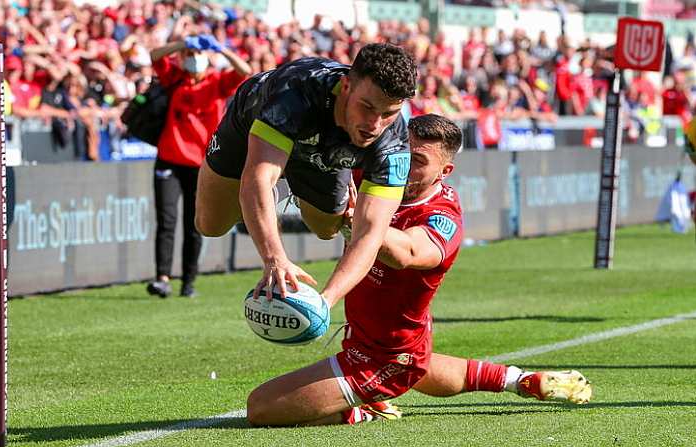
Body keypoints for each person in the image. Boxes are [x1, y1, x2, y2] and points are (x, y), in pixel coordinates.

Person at [246, 114, 593, 427]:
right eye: (402, 154)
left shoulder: (442, 217)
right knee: (419, 367)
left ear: (444, 172)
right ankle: (518, 379)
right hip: (396, 342)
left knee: (260, 408)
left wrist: (357, 219)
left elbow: (407, 252)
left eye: (418, 161)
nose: (404, 166)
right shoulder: (382, 177)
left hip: (383, 356)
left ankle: (362, 408)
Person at [195, 43, 417, 306]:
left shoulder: (393, 142)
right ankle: (274, 186)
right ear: (346, 86)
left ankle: (293, 186)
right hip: (250, 126)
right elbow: (257, 179)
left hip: (322, 152)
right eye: (367, 107)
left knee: (327, 230)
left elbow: (370, 234)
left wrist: (325, 302)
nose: (374, 125)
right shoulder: (295, 94)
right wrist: (274, 259)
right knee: (210, 224)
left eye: (389, 113)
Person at [146, 34, 252, 298]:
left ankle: (188, 281)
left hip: (201, 163)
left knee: (195, 223)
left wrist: (221, 48)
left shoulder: (217, 82)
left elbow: (246, 71)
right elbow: (154, 55)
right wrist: (182, 44)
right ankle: (162, 277)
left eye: (197, 55)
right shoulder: (175, 78)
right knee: (166, 220)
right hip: (169, 158)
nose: (194, 60)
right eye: (189, 56)